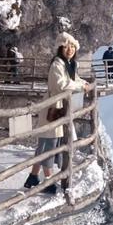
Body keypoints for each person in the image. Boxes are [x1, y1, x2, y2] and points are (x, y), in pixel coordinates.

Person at [24, 32, 91, 194]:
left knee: (45, 144)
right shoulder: (57, 65)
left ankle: (33, 177)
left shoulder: (68, 64)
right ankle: (48, 181)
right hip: (52, 109)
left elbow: (74, 80)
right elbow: (61, 85)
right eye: (67, 46)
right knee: (49, 144)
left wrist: (84, 83)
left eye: (73, 47)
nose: (70, 49)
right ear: (61, 48)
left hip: (59, 108)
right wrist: (80, 87)